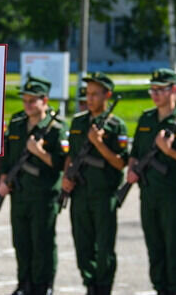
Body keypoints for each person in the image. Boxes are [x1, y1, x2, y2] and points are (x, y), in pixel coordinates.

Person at [127, 68, 176, 295]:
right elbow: (136, 151)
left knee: (174, 246)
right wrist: (132, 169)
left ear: (175, 90)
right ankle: (160, 288)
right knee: (155, 246)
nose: (155, 94)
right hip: (149, 194)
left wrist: (168, 151)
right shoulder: (147, 118)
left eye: (161, 89)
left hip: (174, 195)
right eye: (153, 89)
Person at [0, 76, 68, 295]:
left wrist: (39, 152)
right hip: (19, 194)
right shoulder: (18, 123)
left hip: (43, 196)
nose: (27, 105)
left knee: (42, 243)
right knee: (21, 242)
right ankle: (24, 284)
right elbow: (8, 157)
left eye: (32, 100)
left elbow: (61, 164)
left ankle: (43, 285)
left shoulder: (57, 129)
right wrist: (3, 178)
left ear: (44, 100)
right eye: (25, 100)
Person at [61, 72, 128, 295]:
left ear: (107, 95)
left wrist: (99, 144)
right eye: (87, 94)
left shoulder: (116, 126)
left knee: (104, 247)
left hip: (103, 194)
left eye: (94, 94)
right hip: (80, 193)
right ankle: (90, 285)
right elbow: (71, 155)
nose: (89, 99)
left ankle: (103, 287)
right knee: (83, 245)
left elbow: (120, 163)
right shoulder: (79, 121)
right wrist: (67, 176)